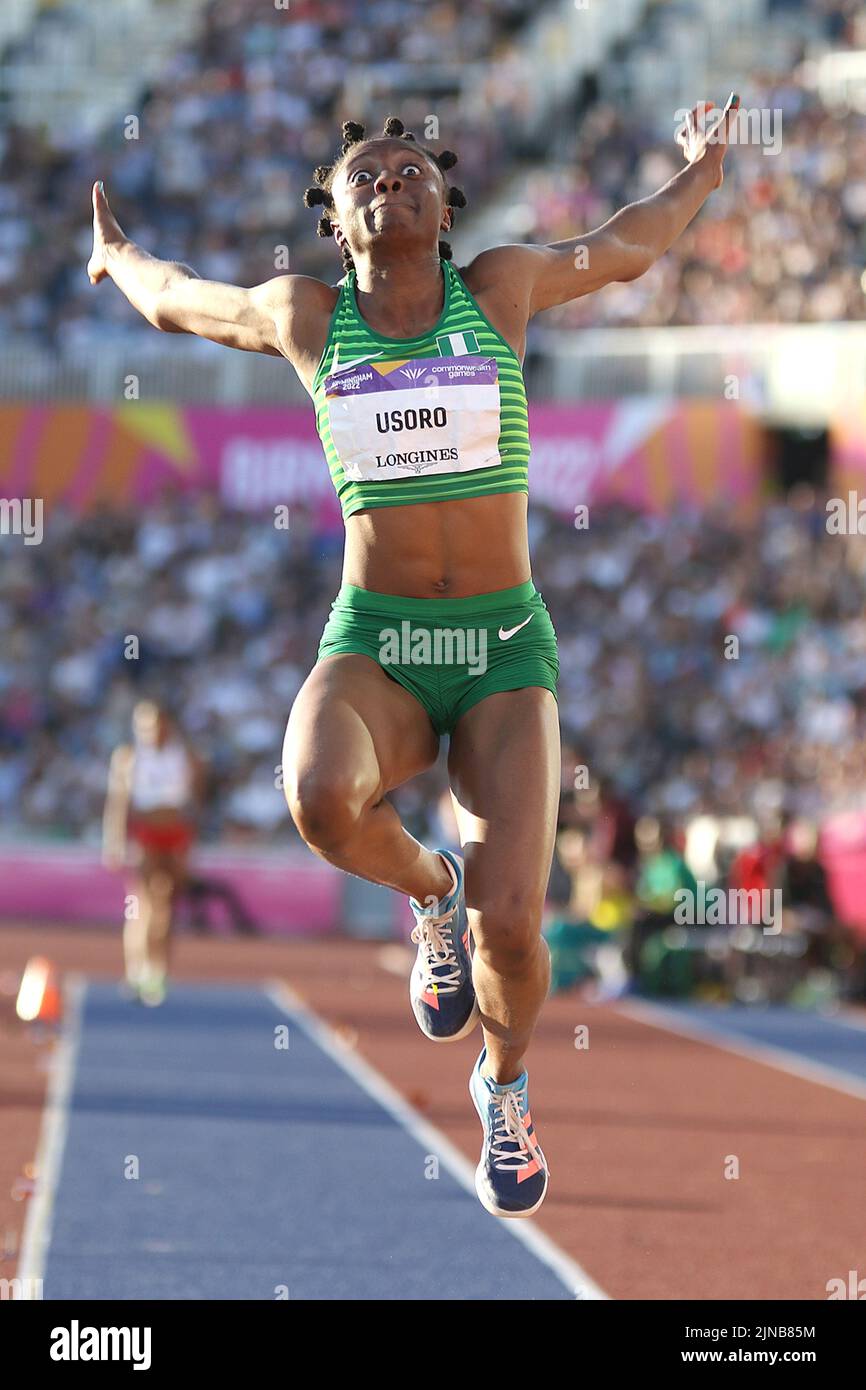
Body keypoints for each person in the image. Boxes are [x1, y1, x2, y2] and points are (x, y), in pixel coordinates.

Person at [88, 98, 738, 1215]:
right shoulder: (307, 317)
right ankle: (428, 893)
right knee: (316, 796)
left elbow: (626, 247)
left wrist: (702, 174)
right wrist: (118, 255)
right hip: (378, 641)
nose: (388, 180)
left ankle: (504, 1084)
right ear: (336, 222)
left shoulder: (500, 288)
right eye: (364, 176)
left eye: (408, 169)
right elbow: (182, 301)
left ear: (443, 206)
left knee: (519, 930)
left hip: (498, 648)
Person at [102, 700, 202, 1005]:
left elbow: (195, 802)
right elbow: (118, 801)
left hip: (175, 833)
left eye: (156, 725)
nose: (150, 732)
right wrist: (114, 840)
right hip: (145, 835)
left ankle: (158, 971)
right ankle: (137, 970)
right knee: (142, 903)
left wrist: (190, 845)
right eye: (143, 726)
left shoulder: (185, 755)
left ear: (166, 725)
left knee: (166, 904)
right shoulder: (128, 757)